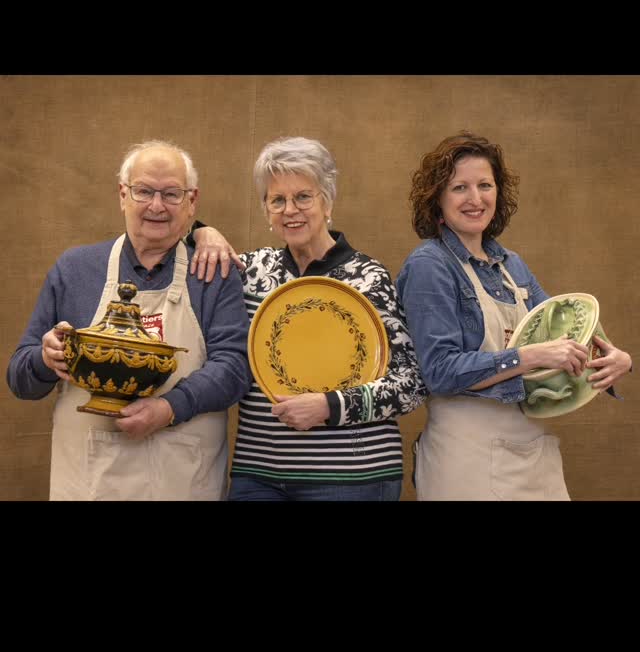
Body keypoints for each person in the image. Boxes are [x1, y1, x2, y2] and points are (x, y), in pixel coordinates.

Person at [7, 139, 252, 501]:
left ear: (192, 202)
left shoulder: (213, 273)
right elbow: (20, 379)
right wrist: (44, 359)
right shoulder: (75, 269)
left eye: (171, 193)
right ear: (123, 195)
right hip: (89, 484)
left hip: (184, 483)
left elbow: (234, 368)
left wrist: (169, 408)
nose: (156, 205)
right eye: (143, 191)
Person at [395, 131, 633, 501]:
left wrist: (615, 359)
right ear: (437, 199)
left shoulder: (512, 266)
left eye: (485, 185)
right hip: (465, 459)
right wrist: (531, 356)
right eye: (460, 188)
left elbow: (569, 335)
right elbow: (440, 371)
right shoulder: (430, 265)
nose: (475, 199)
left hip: (529, 452)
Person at [190, 136, 426, 501]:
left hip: (352, 479)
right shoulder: (250, 271)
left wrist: (329, 407)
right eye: (277, 200)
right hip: (259, 476)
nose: (290, 210)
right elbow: (169, 231)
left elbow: (411, 385)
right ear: (266, 209)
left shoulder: (368, 277)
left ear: (327, 200)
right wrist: (203, 231)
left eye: (303, 196)